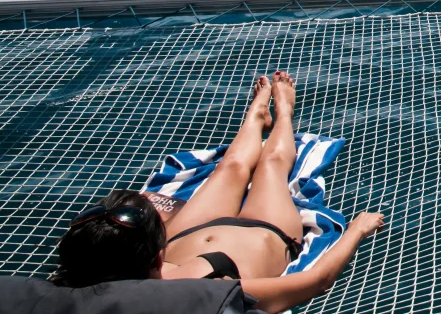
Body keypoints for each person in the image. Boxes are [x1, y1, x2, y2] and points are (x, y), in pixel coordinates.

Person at [52, 71, 384, 314]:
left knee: (231, 168)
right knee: (272, 166)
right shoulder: (205, 295)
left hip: (190, 233)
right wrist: (357, 229)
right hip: (267, 231)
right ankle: (284, 114)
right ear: (155, 255)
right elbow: (317, 280)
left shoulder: (114, 269)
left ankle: (255, 115)